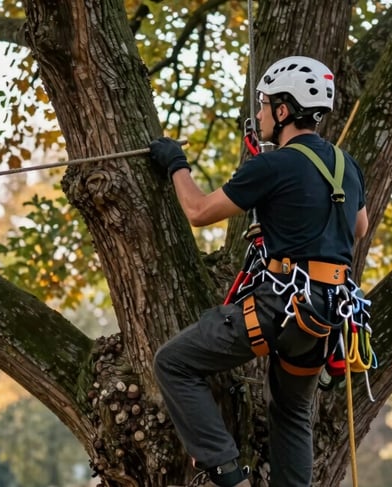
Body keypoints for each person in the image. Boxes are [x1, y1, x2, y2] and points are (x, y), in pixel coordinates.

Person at [149, 56, 368, 487]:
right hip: (326, 315)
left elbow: (197, 211)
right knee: (291, 411)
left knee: (173, 362)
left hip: (279, 307)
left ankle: (229, 475)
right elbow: (358, 227)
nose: (261, 113)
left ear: (284, 111)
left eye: (265, 104)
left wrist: (175, 163)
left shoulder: (273, 165)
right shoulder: (346, 165)